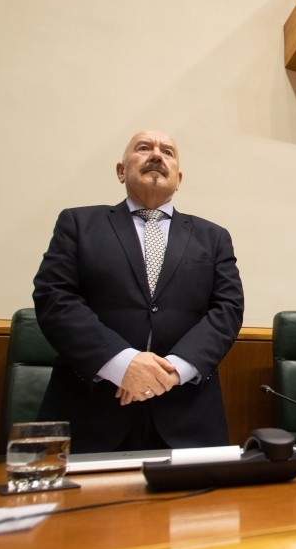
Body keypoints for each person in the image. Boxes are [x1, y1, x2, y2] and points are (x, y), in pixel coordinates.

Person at [33, 130, 244, 453]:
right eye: (144, 148)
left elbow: (227, 309)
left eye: (168, 152)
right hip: (91, 415)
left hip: (187, 416)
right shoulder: (78, 223)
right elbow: (54, 298)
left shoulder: (213, 237)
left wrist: (172, 371)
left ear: (179, 179)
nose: (157, 155)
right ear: (121, 171)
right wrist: (123, 363)